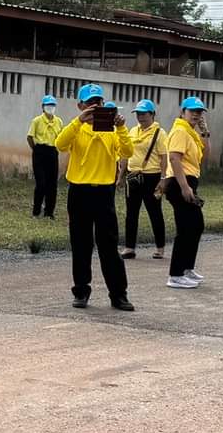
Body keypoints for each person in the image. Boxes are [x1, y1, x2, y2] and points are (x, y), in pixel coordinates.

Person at [57, 86, 135, 313]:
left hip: (103, 192)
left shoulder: (110, 130)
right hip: (79, 191)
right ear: (80, 105)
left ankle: (118, 294)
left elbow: (128, 152)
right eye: (90, 103)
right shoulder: (76, 128)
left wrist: (121, 128)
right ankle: (81, 290)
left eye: (99, 103)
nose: (95, 107)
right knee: (80, 244)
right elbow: (60, 144)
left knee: (109, 246)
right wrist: (79, 121)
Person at [161, 97, 208, 289]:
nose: (196, 114)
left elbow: (205, 156)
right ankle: (175, 274)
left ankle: (187, 268)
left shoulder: (191, 132)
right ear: (183, 112)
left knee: (196, 225)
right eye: (192, 111)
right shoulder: (180, 130)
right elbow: (174, 158)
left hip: (189, 181)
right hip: (180, 182)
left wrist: (205, 132)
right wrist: (185, 187)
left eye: (199, 111)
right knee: (186, 227)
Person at [121, 98, 168, 261]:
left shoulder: (159, 133)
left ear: (152, 114)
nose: (141, 117)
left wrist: (163, 178)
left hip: (152, 176)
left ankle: (160, 247)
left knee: (154, 212)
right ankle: (129, 247)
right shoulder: (132, 131)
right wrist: (120, 175)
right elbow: (126, 154)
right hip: (133, 176)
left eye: (144, 114)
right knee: (131, 213)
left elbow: (164, 157)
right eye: (138, 114)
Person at [27, 95, 63, 218]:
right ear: (43, 107)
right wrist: (36, 150)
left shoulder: (58, 121)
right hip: (39, 152)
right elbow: (30, 137)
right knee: (41, 183)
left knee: (52, 184)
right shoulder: (36, 121)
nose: (50, 108)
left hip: (53, 152)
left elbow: (61, 137)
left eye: (52, 106)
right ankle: (36, 211)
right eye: (48, 105)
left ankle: (49, 212)